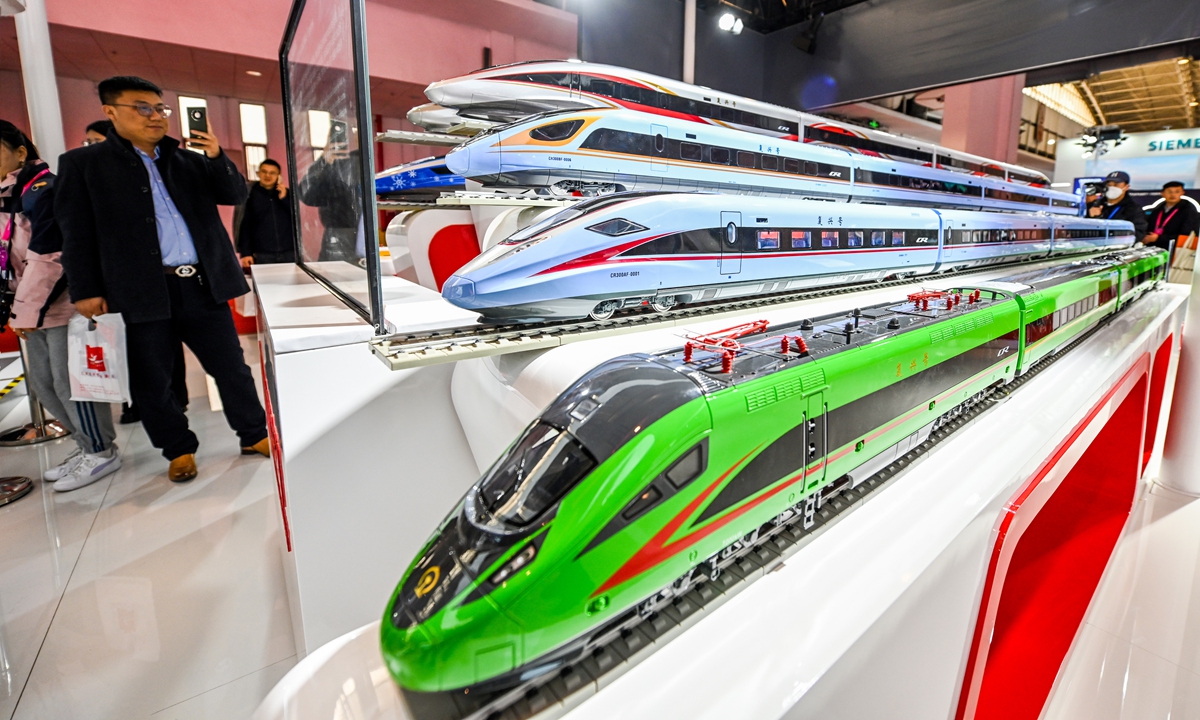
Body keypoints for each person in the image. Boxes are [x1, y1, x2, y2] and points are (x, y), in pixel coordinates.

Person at [55, 76, 269, 483]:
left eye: (160, 108)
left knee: (231, 368)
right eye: (142, 108)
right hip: (139, 289)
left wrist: (217, 155)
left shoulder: (187, 160)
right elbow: (75, 232)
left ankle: (253, 433)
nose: (155, 116)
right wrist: (85, 290)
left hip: (202, 284)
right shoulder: (84, 165)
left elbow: (236, 194)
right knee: (152, 378)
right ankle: (178, 449)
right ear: (110, 111)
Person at [0, 120, 119, 492]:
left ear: (21, 153)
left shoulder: (43, 190)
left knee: (72, 383)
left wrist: (25, 311)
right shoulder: (7, 195)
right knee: (44, 384)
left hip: (60, 303)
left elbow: (49, 257)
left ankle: (101, 451)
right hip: (28, 305)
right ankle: (85, 444)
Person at [79, 119, 189, 424]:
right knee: (138, 351)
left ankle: (174, 398)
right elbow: (80, 236)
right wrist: (88, 288)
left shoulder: (146, 172)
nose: (92, 148)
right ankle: (138, 403)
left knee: (165, 348)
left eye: (97, 141)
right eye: (88, 143)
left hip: (163, 276)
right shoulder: (87, 175)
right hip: (124, 282)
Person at [235, 159, 295, 266]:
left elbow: (298, 219)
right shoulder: (249, 194)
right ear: (258, 173)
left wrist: (284, 198)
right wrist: (245, 253)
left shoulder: (287, 194)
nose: (268, 175)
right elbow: (244, 225)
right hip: (262, 254)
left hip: (290, 252)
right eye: (264, 171)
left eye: (272, 173)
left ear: (279, 176)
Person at [1087, 170, 1148, 241]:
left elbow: (1138, 234)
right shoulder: (1094, 205)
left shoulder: (1134, 209)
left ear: (1126, 187)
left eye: (1116, 184)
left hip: (1117, 246)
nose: (1111, 187)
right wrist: (1092, 219)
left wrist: (1112, 236)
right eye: (1109, 185)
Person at [1143, 181, 1200, 251]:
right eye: (1169, 192)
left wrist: (1159, 238)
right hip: (1155, 250)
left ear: (1182, 193)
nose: (1173, 195)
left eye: (1177, 191)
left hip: (1178, 252)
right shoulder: (1157, 211)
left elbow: (1188, 236)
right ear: (1162, 193)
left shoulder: (1189, 211)